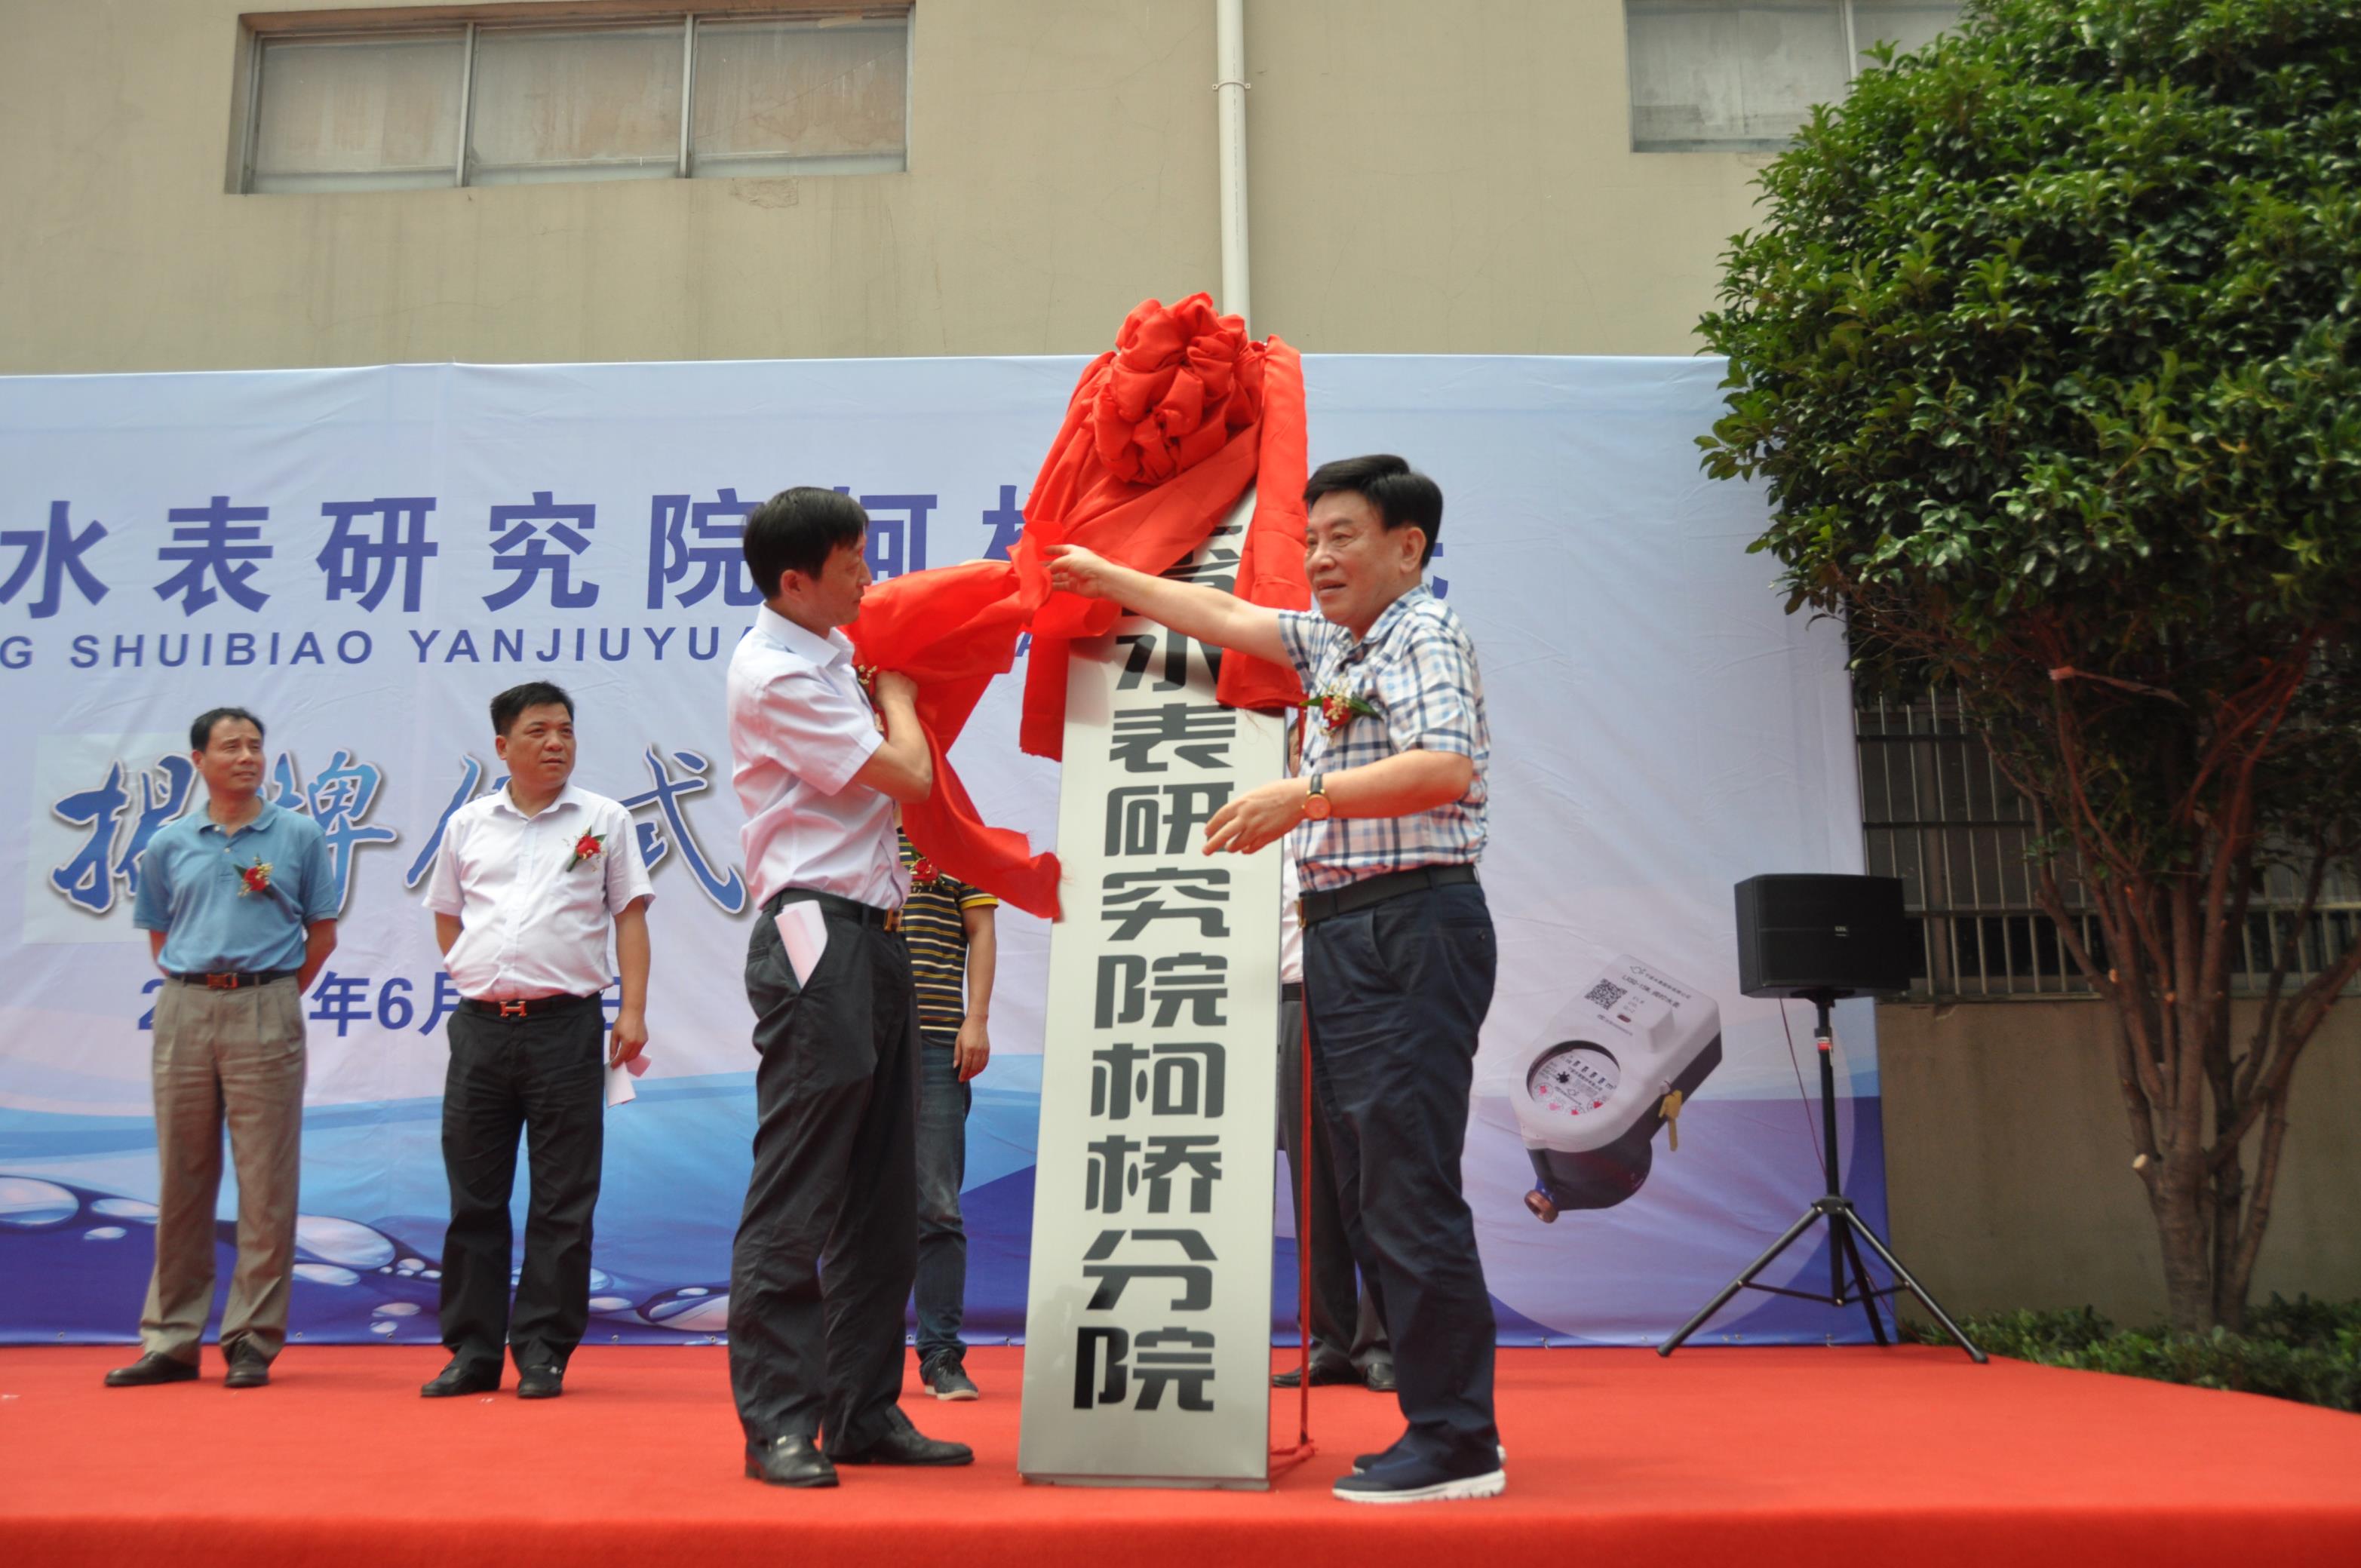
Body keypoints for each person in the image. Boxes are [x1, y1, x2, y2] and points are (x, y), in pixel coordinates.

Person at [1048, 453, 1502, 1505]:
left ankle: (1458, 1438)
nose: (1320, 558)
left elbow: (1445, 766)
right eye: (1311, 540)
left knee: (1406, 1182)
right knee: (1371, 1185)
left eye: (1344, 537)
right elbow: (1224, 617)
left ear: (1408, 547)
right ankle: (1437, 1421)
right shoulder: (1339, 642)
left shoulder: (1422, 631)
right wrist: (1108, 578)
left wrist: (1301, 796)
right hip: (1346, 932)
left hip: (1408, 924)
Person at [726, 486, 972, 1488]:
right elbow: (906, 774)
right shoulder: (776, 671)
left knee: (882, 1191)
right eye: (851, 563)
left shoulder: (831, 657)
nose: (869, 577)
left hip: (877, 932)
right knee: (800, 1186)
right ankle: (780, 1421)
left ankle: (863, 1410)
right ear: (796, 580)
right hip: (813, 934)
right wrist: (899, 697)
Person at [417, 681, 652, 1401]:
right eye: (539, 731)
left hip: (566, 1027)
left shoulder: (605, 819)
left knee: (563, 1198)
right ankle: (472, 1351)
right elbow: (447, 912)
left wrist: (632, 1009)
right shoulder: (468, 824)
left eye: (565, 730)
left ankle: (545, 1348)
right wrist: (474, 973)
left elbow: (630, 916)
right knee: (475, 1197)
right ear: (503, 745)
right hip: (481, 1030)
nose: (556, 743)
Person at [109, 707, 337, 1392]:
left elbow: (321, 934)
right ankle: (171, 1339)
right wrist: (202, 984)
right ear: (199, 760)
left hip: (266, 1001)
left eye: (255, 746)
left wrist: (271, 992)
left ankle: (251, 1339)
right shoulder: (169, 842)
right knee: (183, 1176)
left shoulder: (297, 834)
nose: (246, 757)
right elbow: (159, 933)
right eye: (231, 746)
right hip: (184, 1005)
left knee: (266, 1182)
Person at [1274, 848, 1395, 1393]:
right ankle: (1330, 1340)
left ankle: (1384, 1342)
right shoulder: (1259, 836)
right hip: (1292, 998)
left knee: (1380, 1174)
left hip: (1369, 995)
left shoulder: (1368, 822)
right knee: (1313, 1178)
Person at [895, 827, 999, 1401]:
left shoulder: (955, 837)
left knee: (937, 1204)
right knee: (856, 1205)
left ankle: (940, 1354)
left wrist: (975, 1019)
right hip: (861, 1040)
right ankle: (858, 1354)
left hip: (936, 1039)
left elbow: (981, 929)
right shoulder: (849, 831)